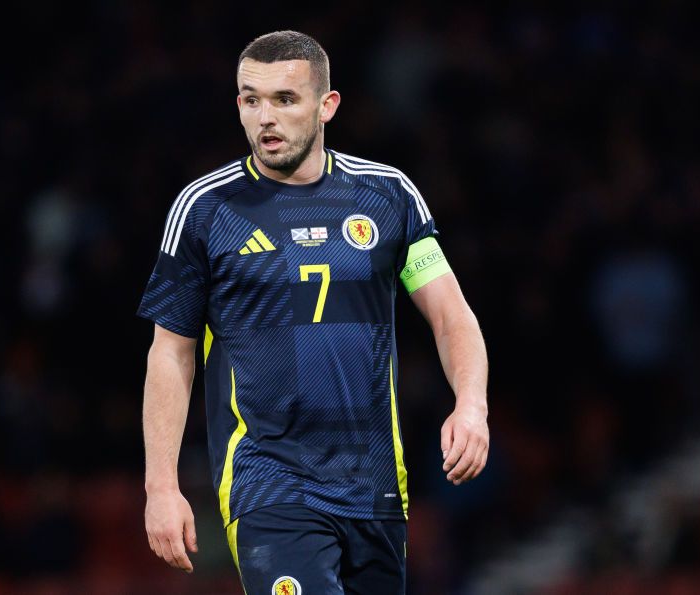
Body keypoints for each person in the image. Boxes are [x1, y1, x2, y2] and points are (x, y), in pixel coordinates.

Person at [138, 30, 488, 594]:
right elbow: (171, 352)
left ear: (327, 106)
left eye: (284, 99)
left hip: (373, 483)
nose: (265, 117)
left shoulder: (389, 196)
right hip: (267, 480)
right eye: (251, 99)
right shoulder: (205, 209)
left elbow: (452, 316)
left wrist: (471, 405)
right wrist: (161, 485)